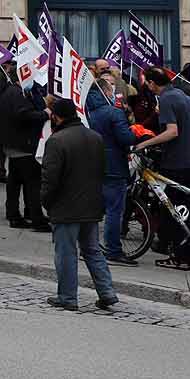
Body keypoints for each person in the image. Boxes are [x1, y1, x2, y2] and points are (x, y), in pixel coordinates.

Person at [40, 98, 118, 311]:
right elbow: (102, 171)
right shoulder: (95, 137)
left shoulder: (57, 141)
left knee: (66, 253)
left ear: (56, 116)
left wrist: (46, 202)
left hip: (66, 206)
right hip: (91, 203)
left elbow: (50, 178)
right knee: (92, 250)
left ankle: (67, 297)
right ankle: (107, 292)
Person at [134, 67, 190, 271]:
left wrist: (145, 144)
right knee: (186, 207)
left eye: (147, 83)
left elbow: (172, 132)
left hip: (177, 162)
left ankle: (182, 257)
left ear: (152, 83)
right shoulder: (180, 95)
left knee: (176, 209)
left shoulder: (165, 99)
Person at [86, 71, 138, 265]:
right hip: (113, 165)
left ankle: (88, 247)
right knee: (115, 210)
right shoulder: (113, 112)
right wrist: (137, 134)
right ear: (106, 91)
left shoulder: (86, 110)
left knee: (93, 209)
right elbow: (125, 137)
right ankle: (113, 250)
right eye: (111, 89)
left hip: (92, 163)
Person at [0, 63, 50, 231]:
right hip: (23, 144)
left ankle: (15, 214)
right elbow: (23, 115)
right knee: (32, 182)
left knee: (15, 181)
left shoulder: (12, 92)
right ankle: (36, 218)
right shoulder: (17, 94)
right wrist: (44, 114)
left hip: (15, 144)